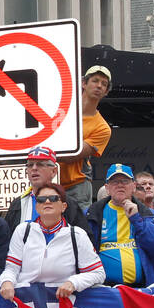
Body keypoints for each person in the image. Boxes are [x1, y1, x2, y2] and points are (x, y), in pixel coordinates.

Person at [0, 182, 105, 301]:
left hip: (64, 304)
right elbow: (11, 268)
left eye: (53, 198)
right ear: (36, 207)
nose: (47, 202)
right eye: (41, 199)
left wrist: (73, 283)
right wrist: (7, 281)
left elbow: (98, 273)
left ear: (64, 206)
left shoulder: (77, 235)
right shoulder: (22, 231)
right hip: (26, 304)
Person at [85, 164, 154, 288]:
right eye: (115, 181)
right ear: (107, 188)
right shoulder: (91, 213)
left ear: (133, 187)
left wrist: (137, 219)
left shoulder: (148, 214)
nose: (120, 185)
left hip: (140, 289)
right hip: (102, 290)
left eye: (125, 181)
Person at [60, 65, 113, 211]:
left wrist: (42, 153)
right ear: (83, 83)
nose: (99, 86)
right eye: (95, 81)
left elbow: (72, 154)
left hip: (76, 186)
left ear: (106, 92)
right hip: (46, 182)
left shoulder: (103, 128)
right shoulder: (59, 108)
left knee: (80, 231)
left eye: (104, 84)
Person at [4, 146, 89, 230]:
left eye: (40, 164)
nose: (34, 168)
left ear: (54, 171)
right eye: (30, 165)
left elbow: (83, 239)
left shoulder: (68, 203)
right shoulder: (17, 204)